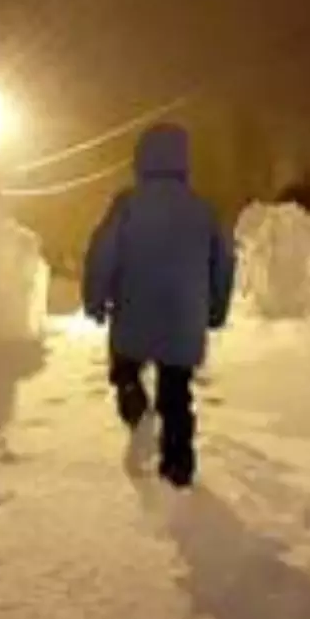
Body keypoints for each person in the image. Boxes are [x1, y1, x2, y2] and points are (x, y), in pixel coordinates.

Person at [82, 123, 235, 489]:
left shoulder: (128, 204)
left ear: (142, 159)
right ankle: (178, 470)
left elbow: (102, 253)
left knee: (125, 370)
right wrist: (216, 310)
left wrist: (95, 299)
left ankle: (136, 408)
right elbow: (224, 263)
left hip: (134, 311)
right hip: (183, 319)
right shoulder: (203, 210)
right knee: (176, 395)